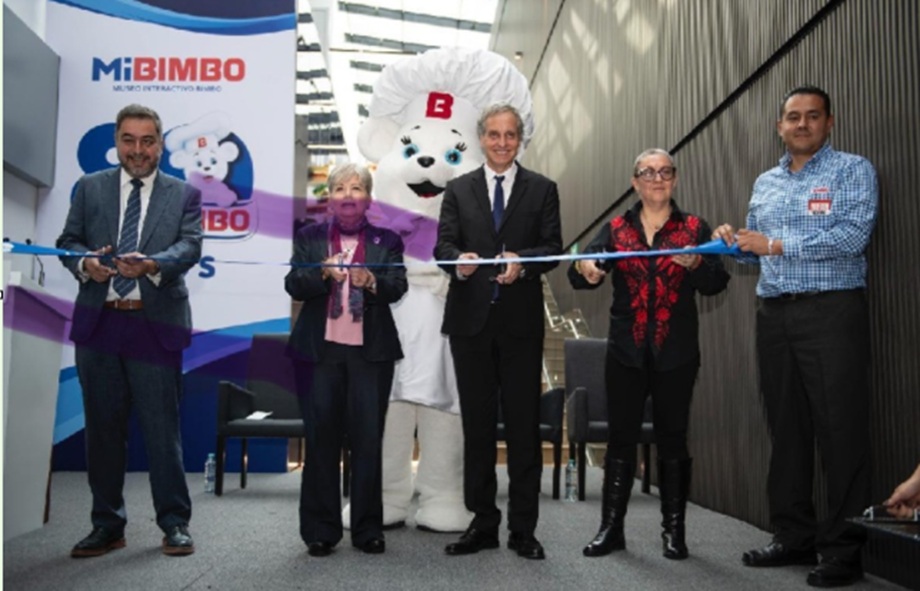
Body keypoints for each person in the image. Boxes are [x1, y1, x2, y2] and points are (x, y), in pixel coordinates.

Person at [713, 85, 878, 588]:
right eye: (792, 117)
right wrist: (733, 243)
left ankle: (844, 551)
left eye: (812, 116)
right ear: (779, 126)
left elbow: (852, 236)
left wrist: (775, 244)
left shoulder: (852, 170)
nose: (801, 124)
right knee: (786, 429)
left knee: (840, 431)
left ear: (829, 122)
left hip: (831, 312)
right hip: (774, 315)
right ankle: (793, 536)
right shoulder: (765, 182)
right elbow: (756, 250)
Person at [56, 103, 203, 557]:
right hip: (100, 323)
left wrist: (153, 264)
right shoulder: (89, 187)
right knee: (102, 432)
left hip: (153, 326)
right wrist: (87, 264)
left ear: (160, 144)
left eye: (147, 141)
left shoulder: (183, 194)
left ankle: (174, 523)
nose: (138, 150)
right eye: (129, 140)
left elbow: (190, 246)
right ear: (116, 142)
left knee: (163, 432)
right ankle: (107, 525)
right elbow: (68, 243)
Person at [569, 149, 729, 560]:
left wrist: (697, 263)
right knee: (621, 438)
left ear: (675, 178)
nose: (657, 179)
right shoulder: (616, 228)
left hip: (677, 352)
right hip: (626, 351)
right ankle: (611, 529)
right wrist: (586, 269)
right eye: (648, 172)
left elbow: (716, 282)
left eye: (665, 172)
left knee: (673, 438)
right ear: (634, 181)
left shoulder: (694, 227)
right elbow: (580, 271)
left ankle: (674, 533)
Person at [435, 103, 562, 560]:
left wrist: (522, 262)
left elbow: (552, 249)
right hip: (470, 326)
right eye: (494, 134)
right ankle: (483, 522)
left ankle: (524, 529)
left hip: (520, 326)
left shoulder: (543, 189)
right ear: (481, 138)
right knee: (478, 428)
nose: (502, 142)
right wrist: (459, 262)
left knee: (524, 430)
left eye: (510, 135)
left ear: (520, 139)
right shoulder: (458, 189)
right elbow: (443, 246)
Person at [285, 163, 408, 557]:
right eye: (340, 188)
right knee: (321, 440)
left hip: (370, 355)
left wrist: (371, 281)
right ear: (330, 198)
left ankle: (368, 528)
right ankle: (320, 530)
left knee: (368, 441)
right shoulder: (309, 237)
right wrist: (322, 273)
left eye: (357, 188)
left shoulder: (388, 240)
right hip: (319, 353)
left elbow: (397, 286)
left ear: (368, 198)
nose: (348, 195)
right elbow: (293, 284)